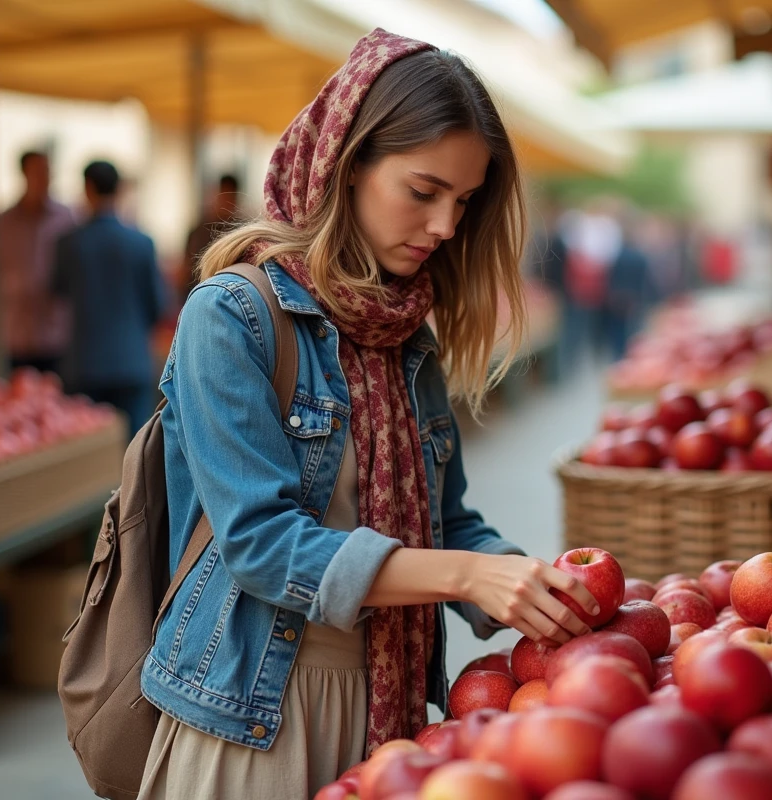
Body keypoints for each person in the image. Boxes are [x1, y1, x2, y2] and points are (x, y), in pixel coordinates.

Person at [135, 29, 598, 800]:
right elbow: (264, 547)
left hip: (395, 721)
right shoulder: (231, 318)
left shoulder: (405, 336)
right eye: (424, 192)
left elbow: (444, 524)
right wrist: (470, 576)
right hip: (256, 716)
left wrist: (529, 584)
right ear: (344, 168)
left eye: (465, 201)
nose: (447, 227)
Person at [52, 160, 167, 434]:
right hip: (131, 360)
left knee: (88, 458)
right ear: (118, 190)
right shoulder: (141, 242)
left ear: (87, 189)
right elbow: (157, 305)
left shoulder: (69, 243)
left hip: (84, 362)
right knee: (135, 454)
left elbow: (57, 292)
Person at [0, 150, 76, 373]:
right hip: (15, 335)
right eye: (38, 171)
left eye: (48, 172)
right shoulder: (3, 223)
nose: (45, 178)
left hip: (57, 335)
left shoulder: (67, 219)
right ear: (24, 174)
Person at [181, 173, 240, 299]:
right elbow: (186, 267)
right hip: (197, 292)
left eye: (230, 197)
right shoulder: (199, 230)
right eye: (223, 196)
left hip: (226, 296)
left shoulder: (239, 231)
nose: (225, 203)